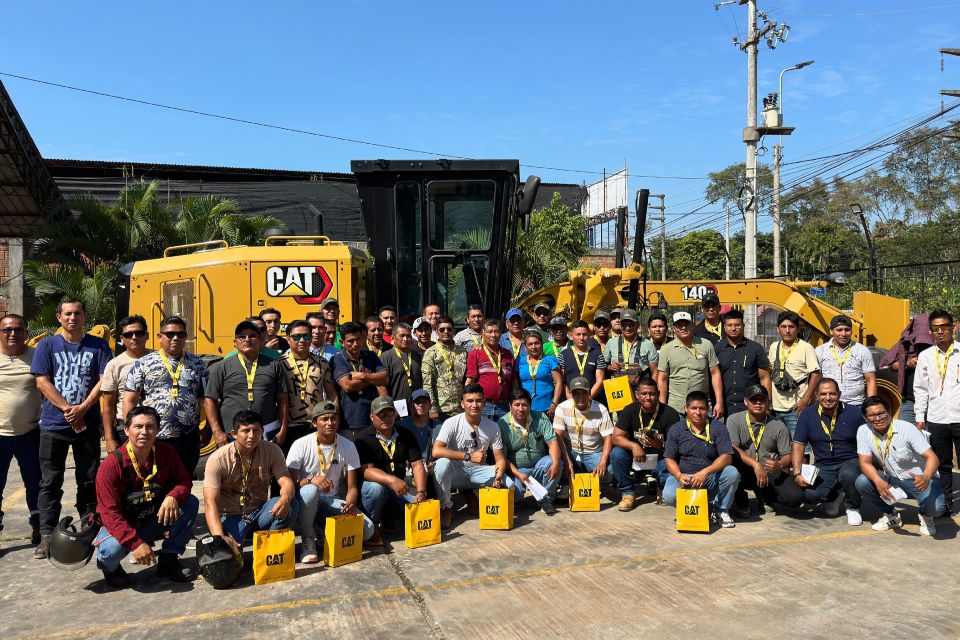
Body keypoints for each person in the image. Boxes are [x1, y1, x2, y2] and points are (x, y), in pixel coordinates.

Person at [32, 298, 112, 559]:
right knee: (50, 481)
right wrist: (69, 409)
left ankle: (89, 528)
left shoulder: (98, 345)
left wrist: (83, 409)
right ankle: (47, 536)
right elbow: (42, 382)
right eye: (67, 314)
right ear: (59, 318)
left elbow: (104, 380)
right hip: (53, 425)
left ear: (84, 316)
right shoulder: (47, 345)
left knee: (89, 478)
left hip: (87, 424)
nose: (72, 318)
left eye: (77, 313)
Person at [93, 406, 197, 588]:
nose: (144, 432)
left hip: (151, 517)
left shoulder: (166, 452)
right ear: (126, 430)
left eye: (150, 427)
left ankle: (169, 559)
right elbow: (109, 513)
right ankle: (110, 568)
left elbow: (184, 481)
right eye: (138, 426)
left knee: (189, 502)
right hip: (121, 524)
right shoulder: (110, 466)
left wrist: (173, 495)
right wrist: (135, 544)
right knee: (111, 550)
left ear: (157, 430)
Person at [287, 401, 375, 562]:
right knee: (310, 491)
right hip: (305, 501)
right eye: (324, 419)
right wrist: (311, 480)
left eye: (334, 418)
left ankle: (322, 528)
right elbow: (290, 487)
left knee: (368, 530)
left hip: (332, 501)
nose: (330, 423)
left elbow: (352, 487)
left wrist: (350, 502)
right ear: (314, 423)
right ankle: (308, 540)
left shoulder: (348, 445)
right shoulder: (300, 445)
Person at [203, 410, 299, 551]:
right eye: (246, 431)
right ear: (234, 433)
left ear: (262, 431)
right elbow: (209, 502)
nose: (252, 436)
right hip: (229, 517)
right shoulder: (218, 459)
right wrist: (219, 537)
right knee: (228, 557)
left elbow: (285, 480)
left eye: (256, 430)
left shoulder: (273, 451)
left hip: (258, 513)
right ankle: (223, 535)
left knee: (291, 505)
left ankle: (268, 551)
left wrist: (286, 498)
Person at [124, 316, 209, 473]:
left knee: (184, 482)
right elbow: (129, 400)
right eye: (170, 334)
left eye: (181, 334)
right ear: (159, 337)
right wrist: (131, 431)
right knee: (156, 483)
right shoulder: (143, 364)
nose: (175, 338)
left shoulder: (197, 364)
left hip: (188, 438)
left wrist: (208, 428)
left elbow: (207, 400)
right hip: (154, 438)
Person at [855, 396, 944, 535]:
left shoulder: (906, 428)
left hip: (919, 480)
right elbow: (864, 462)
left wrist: (926, 476)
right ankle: (891, 516)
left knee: (937, 508)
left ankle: (926, 515)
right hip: (892, 479)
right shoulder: (863, 431)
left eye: (881, 413)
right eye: (872, 415)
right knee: (862, 482)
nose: (877, 418)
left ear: (889, 412)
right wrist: (878, 481)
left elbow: (932, 457)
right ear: (865, 418)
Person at [432, 383, 514, 528]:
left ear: (484, 403)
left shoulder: (493, 426)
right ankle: (446, 508)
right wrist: (467, 456)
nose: (474, 405)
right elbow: (436, 451)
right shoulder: (451, 423)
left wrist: (499, 476)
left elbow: (500, 458)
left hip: (478, 472)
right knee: (441, 465)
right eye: (470, 401)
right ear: (462, 404)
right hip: (456, 471)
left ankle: (473, 494)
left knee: (510, 485)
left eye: (478, 400)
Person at [791, 378, 864, 526]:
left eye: (832, 393)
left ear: (839, 394)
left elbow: (869, 439)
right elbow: (798, 445)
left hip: (850, 461)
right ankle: (837, 495)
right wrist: (797, 473)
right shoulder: (807, 414)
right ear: (816, 396)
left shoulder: (854, 412)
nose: (828, 398)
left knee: (848, 474)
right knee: (811, 496)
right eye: (823, 394)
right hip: (823, 464)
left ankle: (853, 507)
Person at [662, 391, 740, 528]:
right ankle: (691, 509)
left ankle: (720, 510)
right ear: (686, 408)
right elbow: (669, 458)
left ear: (708, 410)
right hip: (684, 476)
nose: (697, 412)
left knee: (732, 473)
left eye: (702, 408)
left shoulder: (718, 427)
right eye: (693, 408)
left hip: (710, 476)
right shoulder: (676, 429)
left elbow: (727, 457)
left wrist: (705, 472)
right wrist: (679, 475)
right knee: (668, 495)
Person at [725, 385, 804, 516]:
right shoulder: (734, 419)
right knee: (730, 461)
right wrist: (755, 465)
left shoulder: (778, 425)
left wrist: (778, 465)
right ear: (745, 401)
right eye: (753, 400)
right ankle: (740, 500)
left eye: (762, 400)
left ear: (768, 402)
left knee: (796, 498)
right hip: (744, 470)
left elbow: (787, 456)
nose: (758, 403)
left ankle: (766, 497)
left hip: (769, 472)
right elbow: (733, 447)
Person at [205, 320, 288, 445]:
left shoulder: (274, 365)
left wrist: (283, 428)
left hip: (266, 431)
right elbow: (210, 400)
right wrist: (216, 431)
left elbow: (283, 399)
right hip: (232, 434)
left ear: (260, 339)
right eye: (242, 337)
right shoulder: (222, 367)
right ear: (235, 342)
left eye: (252, 336)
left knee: (264, 464)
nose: (247, 340)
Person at [357, 396, 429, 537]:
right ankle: (373, 526)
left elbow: (417, 465)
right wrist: (391, 480)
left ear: (396, 414)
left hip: (400, 489)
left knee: (420, 507)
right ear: (372, 417)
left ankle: (389, 517)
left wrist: (421, 492)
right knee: (375, 490)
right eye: (381, 414)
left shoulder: (405, 434)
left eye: (390, 413)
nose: (386, 418)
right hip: (375, 489)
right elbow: (367, 471)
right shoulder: (363, 438)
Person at [0, 313, 42, 546]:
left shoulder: (36, 357)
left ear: (26, 333)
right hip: (0, 435)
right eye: (7, 330)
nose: (12, 333)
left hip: (30, 433)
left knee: (35, 483)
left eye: (18, 329)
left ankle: (39, 527)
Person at [913, 308, 960, 514]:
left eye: (944, 327)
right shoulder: (925, 356)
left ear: (953, 327)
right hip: (937, 418)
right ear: (931, 331)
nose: (940, 331)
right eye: (936, 328)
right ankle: (947, 502)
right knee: (943, 465)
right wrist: (920, 417)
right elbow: (920, 388)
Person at [552, 377, 625, 507]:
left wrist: (602, 462)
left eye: (584, 393)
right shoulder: (562, 408)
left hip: (594, 452)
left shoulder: (601, 409)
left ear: (589, 393)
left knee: (608, 474)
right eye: (576, 393)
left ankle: (595, 483)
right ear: (571, 394)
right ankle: (565, 484)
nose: (580, 397)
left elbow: (608, 438)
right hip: (571, 451)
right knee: (556, 461)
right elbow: (558, 437)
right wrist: (567, 459)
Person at [276, 319, 337, 455]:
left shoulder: (322, 363)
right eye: (297, 337)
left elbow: (331, 393)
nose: (302, 340)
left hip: (316, 424)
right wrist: (281, 427)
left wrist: (334, 417)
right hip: (289, 426)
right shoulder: (278, 364)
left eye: (306, 336)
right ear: (288, 339)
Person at [498, 388, 562, 514]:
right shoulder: (502, 424)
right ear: (510, 406)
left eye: (525, 405)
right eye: (517, 405)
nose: (521, 409)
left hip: (539, 466)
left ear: (530, 406)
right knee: (515, 494)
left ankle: (546, 500)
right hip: (517, 470)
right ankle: (517, 499)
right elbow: (502, 457)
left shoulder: (541, 417)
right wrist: (518, 474)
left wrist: (555, 463)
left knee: (554, 463)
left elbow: (553, 443)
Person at [612, 376, 680, 495]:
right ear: (637, 394)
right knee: (617, 454)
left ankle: (660, 486)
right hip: (636, 459)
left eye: (652, 394)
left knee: (672, 462)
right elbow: (616, 437)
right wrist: (634, 446)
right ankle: (628, 492)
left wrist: (661, 445)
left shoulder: (670, 414)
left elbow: (677, 447)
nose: (648, 397)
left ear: (658, 394)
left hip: (659, 459)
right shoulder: (629, 410)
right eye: (644, 394)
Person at [657, 311, 723, 418]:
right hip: (676, 408)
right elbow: (662, 379)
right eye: (679, 325)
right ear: (674, 328)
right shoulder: (666, 349)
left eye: (686, 324)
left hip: (701, 406)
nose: (683, 327)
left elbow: (715, 374)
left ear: (692, 326)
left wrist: (719, 402)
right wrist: (662, 407)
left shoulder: (706, 345)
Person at [101, 315, 151, 453]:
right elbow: (108, 406)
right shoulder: (114, 365)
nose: (134, 337)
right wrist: (110, 438)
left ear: (147, 335)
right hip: (127, 431)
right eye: (128, 334)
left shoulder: (160, 359)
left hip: (159, 430)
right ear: (122, 339)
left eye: (139, 333)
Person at [768, 311, 821, 438]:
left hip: (796, 409)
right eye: (783, 327)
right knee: (780, 447)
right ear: (778, 328)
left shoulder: (806, 348)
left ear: (797, 329)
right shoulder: (774, 347)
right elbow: (769, 374)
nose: (787, 330)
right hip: (775, 408)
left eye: (791, 327)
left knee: (800, 446)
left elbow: (815, 375)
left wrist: (804, 401)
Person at [331, 321, 387, 439]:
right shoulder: (337, 359)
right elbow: (348, 386)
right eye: (351, 341)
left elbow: (384, 378)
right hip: (349, 422)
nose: (356, 344)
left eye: (358, 339)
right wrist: (373, 378)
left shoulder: (370, 355)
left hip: (373, 418)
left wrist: (362, 375)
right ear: (342, 343)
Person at [715, 308, 771, 418]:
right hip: (725, 407)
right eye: (730, 325)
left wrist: (767, 405)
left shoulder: (756, 349)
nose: (733, 328)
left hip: (751, 405)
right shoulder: (717, 349)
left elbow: (765, 378)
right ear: (725, 328)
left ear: (743, 326)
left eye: (737, 325)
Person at [879, 313, 932, 425]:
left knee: (932, 440)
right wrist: (907, 364)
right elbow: (891, 366)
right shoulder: (905, 345)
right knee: (907, 437)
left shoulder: (938, 347)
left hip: (933, 403)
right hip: (909, 402)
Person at [814, 315, 877, 408]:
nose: (843, 334)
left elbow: (870, 380)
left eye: (847, 330)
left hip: (856, 404)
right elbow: (815, 379)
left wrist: (871, 405)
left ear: (851, 331)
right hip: (829, 404)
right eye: (839, 330)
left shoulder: (862, 351)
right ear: (831, 331)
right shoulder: (820, 351)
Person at [466, 319, 515, 421]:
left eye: (496, 331)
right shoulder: (476, 354)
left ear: (501, 334)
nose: (493, 335)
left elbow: (514, 382)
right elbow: (470, 381)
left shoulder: (508, 354)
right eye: (489, 332)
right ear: (483, 334)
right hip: (484, 407)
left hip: (504, 406)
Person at [422, 316, 468, 422]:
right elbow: (427, 383)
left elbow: (466, 379)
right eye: (442, 330)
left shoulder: (463, 352)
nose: (446, 332)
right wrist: (432, 408)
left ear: (454, 331)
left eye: (449, 329)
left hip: (460, 408)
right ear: (437, 332)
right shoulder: (430, 353)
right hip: (441, 409)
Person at [604, 309, 659, 390]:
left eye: (631, 324)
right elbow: (603, 367)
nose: (627, 328)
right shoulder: (611, 342)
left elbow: (655, 372)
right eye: (624, 325)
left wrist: (649, 390)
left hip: (640, 390)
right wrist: (610, 367)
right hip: (618, 389)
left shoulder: (648, 344)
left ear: (637, 325)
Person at [516, 331, 563, 418]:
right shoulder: (520, 361)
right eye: (530, 344)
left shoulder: (550, 360)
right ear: (526, 346)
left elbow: (559, 382)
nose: (533, 347)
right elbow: (515, 382)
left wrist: (554, 403)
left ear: (541, 344)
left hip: (547, 407)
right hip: (524, 406)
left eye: (536, 343)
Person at [558, 321, 606, 400]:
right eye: (578, 334)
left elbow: (600, 381)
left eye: (584, 334)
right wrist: (570, 399)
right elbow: (561, 381)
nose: (581, 338)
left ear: (589, 335)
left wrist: (587, 399)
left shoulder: (597, 354)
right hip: (570, 400)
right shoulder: (563, 355)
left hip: (592, 400)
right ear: (571, 336)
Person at [380, 322, 423, 411]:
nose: (405, 339)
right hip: (396, 407)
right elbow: (381, 385)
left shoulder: (417, 355)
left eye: (408, 336)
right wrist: (389, 407)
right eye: (402, 336)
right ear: (393, 337)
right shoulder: (386, 357)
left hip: (417, 406)